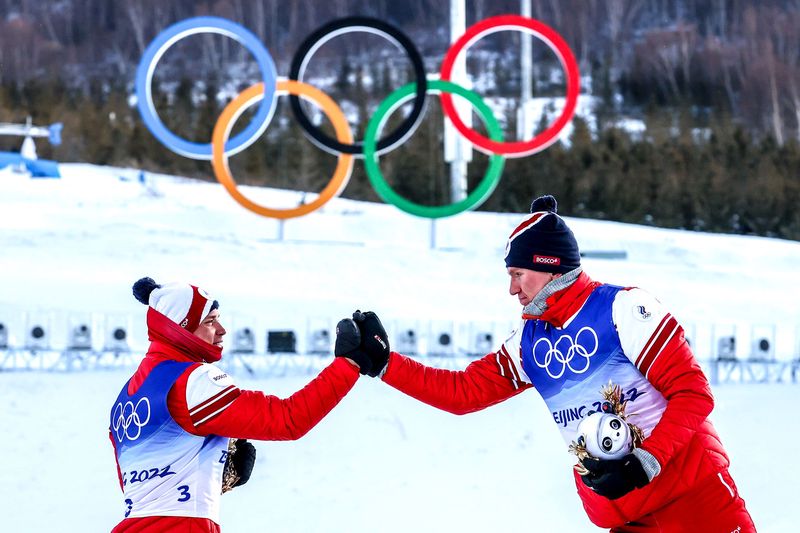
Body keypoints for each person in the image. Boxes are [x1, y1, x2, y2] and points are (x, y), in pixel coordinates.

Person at [335, 195, 756, 532]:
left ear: (548, 266)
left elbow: (693, 394)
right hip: (626, 513)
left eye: (518, 274)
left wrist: (647, 461)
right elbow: (463, 392)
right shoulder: (528, 343)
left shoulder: (623, 307)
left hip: (694, 497)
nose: (511, 289)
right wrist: (385, 364)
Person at [109, 277, 370, 532]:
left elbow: (142, 488)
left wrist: (210, 477)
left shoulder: (126, 398)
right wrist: (349, 364)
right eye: (210, 321)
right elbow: (288, 419)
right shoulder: (193, 380)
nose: (222, 330)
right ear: (181, 327)